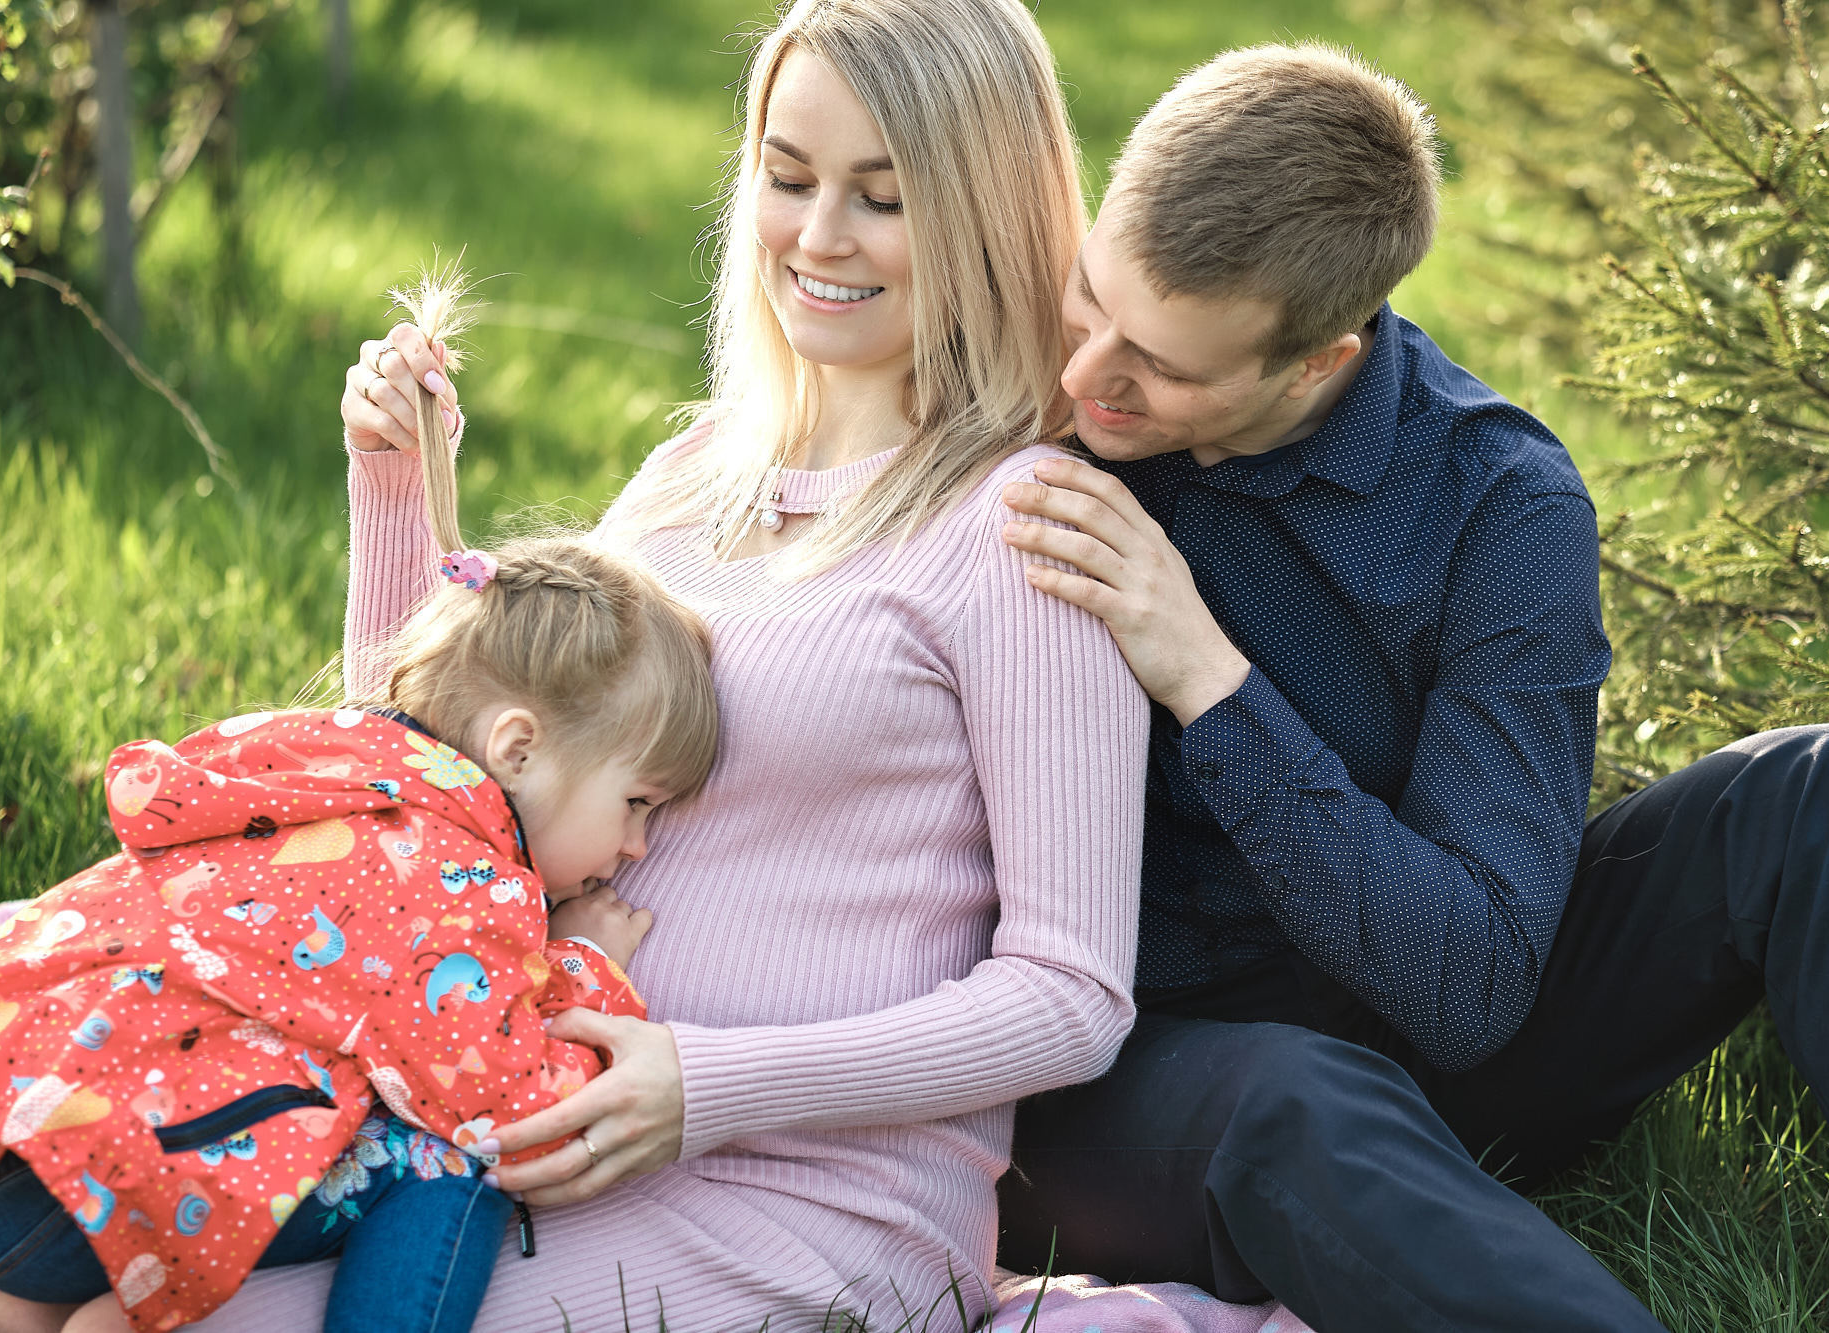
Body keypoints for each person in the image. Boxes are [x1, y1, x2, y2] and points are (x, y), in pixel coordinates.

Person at [184, 0, 1148, 1329]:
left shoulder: (1021, 524)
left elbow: (1070, 997)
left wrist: (705, 1084)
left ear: (982, 212)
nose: (818, 237)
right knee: (58, 1270)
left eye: (882, 197)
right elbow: (432, 800)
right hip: (498, 1120)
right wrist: (398, 490)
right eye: (789, 177)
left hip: (812, 1199)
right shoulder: (689, 478)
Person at [994, 41, 1829, 1332]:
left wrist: (1206, 675)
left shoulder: (1496, 503)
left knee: (1818, 791)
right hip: (1116, 1085)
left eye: (1158, 365)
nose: (1084, 377)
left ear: (1320, 358)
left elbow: (1475, 988)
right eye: (1090, 300)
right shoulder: (1026, 392)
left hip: (1428, 1024)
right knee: (1301, 1101)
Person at [0, 345, 721, 1333]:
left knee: (8, 1309)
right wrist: (585, 965)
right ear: (517, 746)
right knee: (454, 1155)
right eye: (638, 802)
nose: (640, 845)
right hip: (85, 1173)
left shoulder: (334, 759)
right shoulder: (456, 876)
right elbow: (512, 1106)